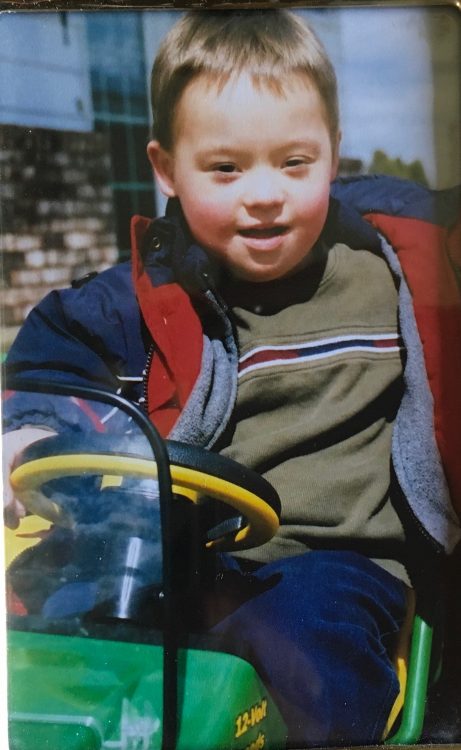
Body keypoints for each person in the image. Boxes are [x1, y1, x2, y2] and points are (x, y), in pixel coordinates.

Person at [3, 9, 461, 747]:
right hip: (177, 553)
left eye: (293, 162)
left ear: (333, 154)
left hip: (336, 565)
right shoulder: (138, 294)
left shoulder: (395, 269)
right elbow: (50, 362)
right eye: (225, 168)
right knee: (61, 609)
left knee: (300, 637)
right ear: (166, 169)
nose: (263, 193)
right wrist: (27, 430)